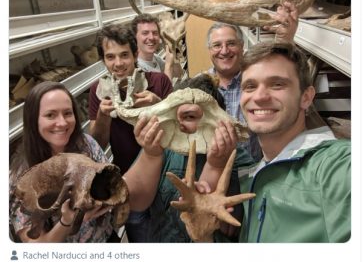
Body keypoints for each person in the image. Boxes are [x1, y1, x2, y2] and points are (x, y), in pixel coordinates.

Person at [221, 42, 350, 242]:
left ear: (306, 98)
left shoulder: (336, 165)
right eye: (250, 86)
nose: (260, 96)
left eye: (277, 84)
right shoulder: (255, 174)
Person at [123, 74, 253, 242]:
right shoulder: (166, 149)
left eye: (189, 117)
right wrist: (151, 155)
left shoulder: (241, 163)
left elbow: (199, 223)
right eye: (173, 116)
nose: (178, 125)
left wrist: (216, 165)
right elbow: (136, 203)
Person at [88, 24, 172, 241]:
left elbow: (178, 128)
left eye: (124, 55)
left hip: (166, 179)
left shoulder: (158, 82)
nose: (118, 64)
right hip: (130, 184)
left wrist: (158, 104)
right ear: (103, 60)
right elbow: (96, 142)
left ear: (135, 54)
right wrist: (103, 117)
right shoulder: (98, 90)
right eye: (110, 57)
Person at [9, 82, 117, 243]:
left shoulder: (86, 143)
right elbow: (37, 246)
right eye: (50, 115)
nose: (62, 123)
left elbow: (111, 184)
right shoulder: (20, 178)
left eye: (67, 113)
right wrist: (68, 221)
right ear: (33, 120)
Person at [206, 2, 299, 159]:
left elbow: (280, 73)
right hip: (212, 169)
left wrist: (285, 38)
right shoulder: (200, 84)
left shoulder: (257, 80)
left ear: (242, 46)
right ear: (209, 50)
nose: (224, 51)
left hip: (255, 169)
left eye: (231, 43)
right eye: (217, 45)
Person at [131, 13, 174, 81]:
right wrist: (168, 66)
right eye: (145, 33)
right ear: (134, 37)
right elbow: (164, 91)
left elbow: (179, 74)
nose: (151, 37)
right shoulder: (135, 67)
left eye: (155, 33)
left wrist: (173, 53)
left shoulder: (155, 58)